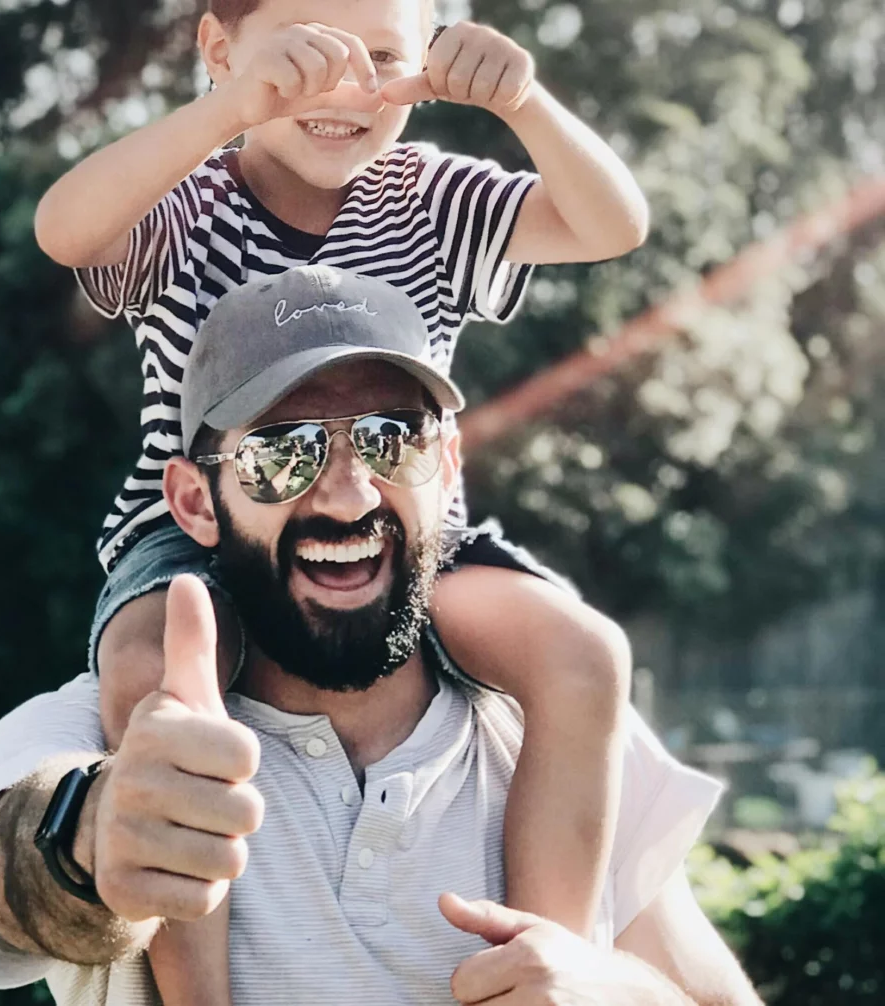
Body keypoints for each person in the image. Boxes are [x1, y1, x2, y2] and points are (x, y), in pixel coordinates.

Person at [33, 1, 651, 998]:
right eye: (303, 55)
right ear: (220, 48)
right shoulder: (187, 202)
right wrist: (227, 109)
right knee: (157, 671)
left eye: (379, 59)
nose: (341, 88)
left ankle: (539, 961)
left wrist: (523, 101)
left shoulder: (432, 197)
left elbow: (612, 224)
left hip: (409, 531)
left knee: (584, 654)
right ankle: (195, 995)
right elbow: (64, 229)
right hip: (201, 535)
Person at [0, 269, 762, 1006]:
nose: (346, 496)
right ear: (195, 501)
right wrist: (86, 837)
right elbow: (6, 887)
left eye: (390, 439)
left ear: (445, 469)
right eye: (281, 452)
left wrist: (618, 992)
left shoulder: (554, 740)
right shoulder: (108, 733)